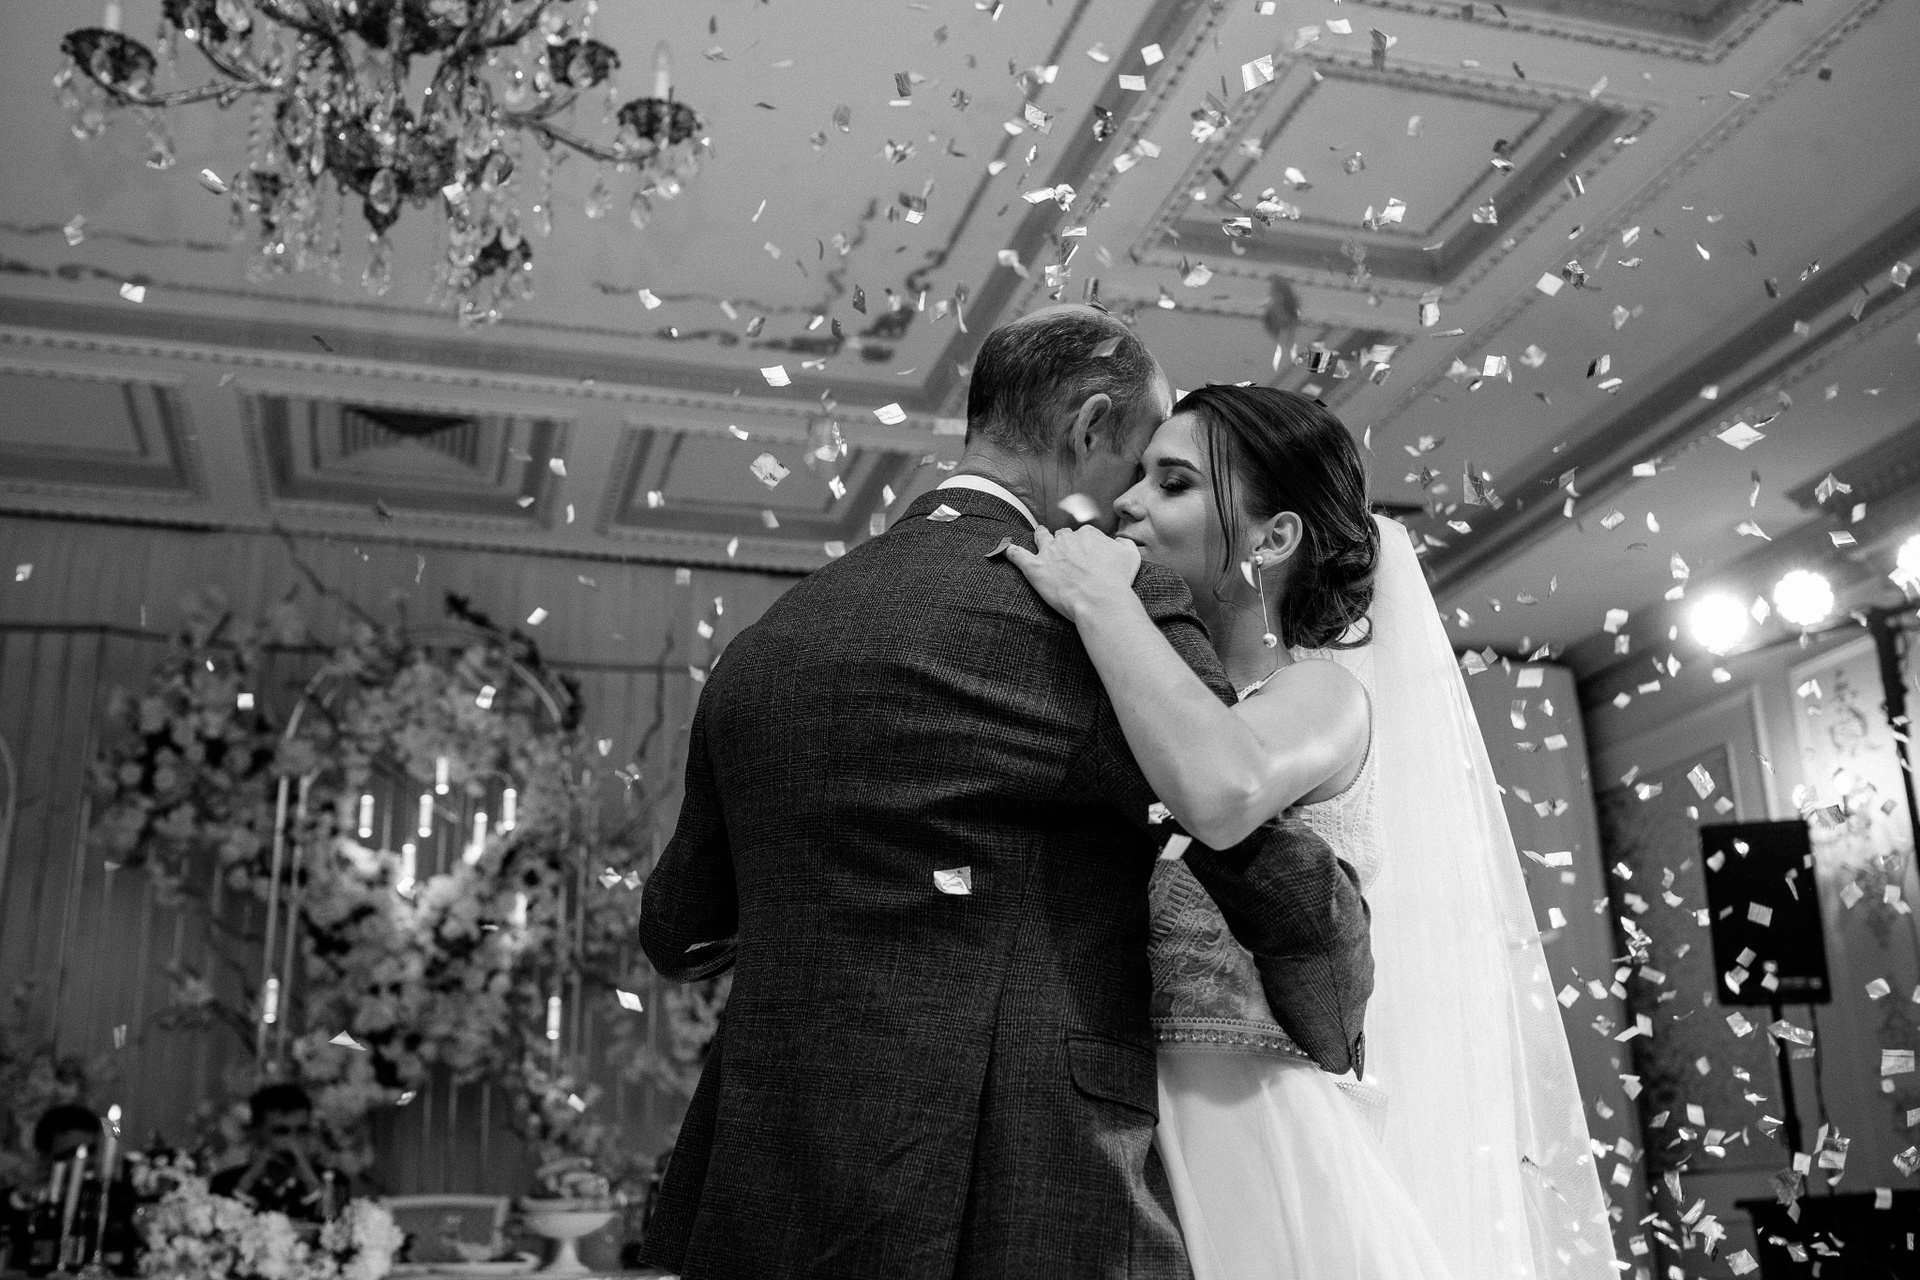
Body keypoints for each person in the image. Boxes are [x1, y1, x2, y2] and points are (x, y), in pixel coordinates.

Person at [637, 306, 1374, 1279]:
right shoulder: (1098, 621)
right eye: (1143, 459)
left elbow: (679, 929)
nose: (1130, 505)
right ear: (1092, 426)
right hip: (1015, 1187)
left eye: (1173, 480)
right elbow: (1260, 862)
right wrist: (1337, 1018)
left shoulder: (763, 644)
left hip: (765, 1187)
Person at [1008, 384, 1617, 1280]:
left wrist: (1107, 605)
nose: (1127, 502)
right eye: (1137, 477)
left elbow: (1221, 788)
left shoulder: (1323, 696)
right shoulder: (1126, 697)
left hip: (1248, 1135)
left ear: (1273, 539)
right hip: (1107, 1125)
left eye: (1172, 483)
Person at [209, 1084, 338, 1222]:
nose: (292, 1141)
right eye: (281, 1132)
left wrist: (310, 1180)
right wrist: (248, 1180)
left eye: (302, 1130)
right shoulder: (223, 1183)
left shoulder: (334, 1182)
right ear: (257, 1131)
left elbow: (331, 1226)